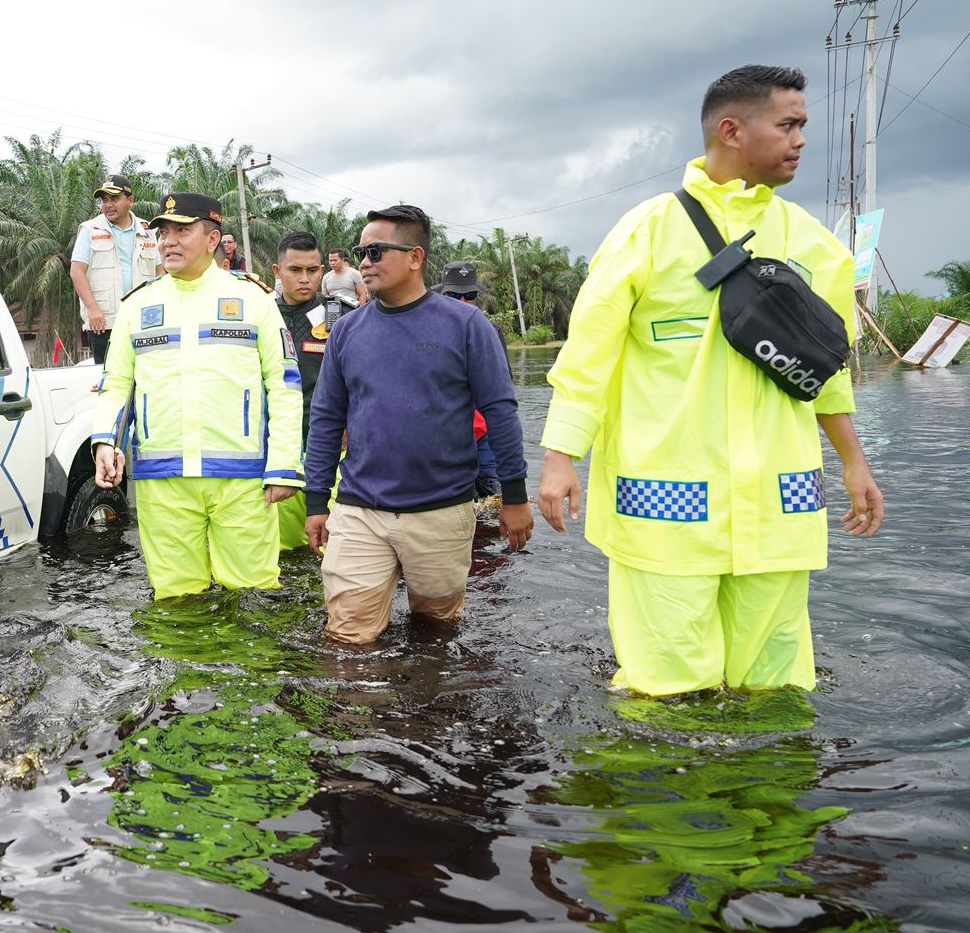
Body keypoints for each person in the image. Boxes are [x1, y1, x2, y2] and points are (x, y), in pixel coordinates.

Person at [537, 64, 885, 697]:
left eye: (803, 125)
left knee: (777, 681)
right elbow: (589, 355)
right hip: (666, 500)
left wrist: (854, 464)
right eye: (788, 124)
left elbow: (825, 374)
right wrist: (560, 458)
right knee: (666, 684)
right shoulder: (647, 230)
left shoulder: (814, 245)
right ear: (732, 129)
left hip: (779, 500)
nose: (801, 139)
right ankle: (665, 794)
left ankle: (775, 793)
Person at [304, 205, 533, 643]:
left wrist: (516, 497)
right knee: (349, 634)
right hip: (359, 508)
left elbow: (501, 412)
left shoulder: (466, 325)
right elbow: (327, 419)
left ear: (415, 256)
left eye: (375, 251)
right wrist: (318, 501)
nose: (364, 262)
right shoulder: (348, 332)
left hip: (441, 509)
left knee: (436, 626)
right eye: (361, 251)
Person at [92, 192, 303, 597]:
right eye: (163, 231)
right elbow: (116, 384)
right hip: (162, 478)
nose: (168, 240)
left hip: (242, 479)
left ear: (212, 239)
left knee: (253, 594)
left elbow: (284, 385)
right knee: (175, 598)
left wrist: (283, 466)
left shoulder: (252, 299)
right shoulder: (138, 306)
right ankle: (186, 663)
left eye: (182, 230)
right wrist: (104, 441)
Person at [272, 230, 358, 550]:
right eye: (295, 270)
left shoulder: (342, 316)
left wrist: (351, 420)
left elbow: (362, 376)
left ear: (323, 270)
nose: (305, 279)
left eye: (313, 270)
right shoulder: (260, 315)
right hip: (278, 446)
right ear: (278, 272)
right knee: (281, 547)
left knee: (333, 542)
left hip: (331, 445)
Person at [70, 174, 160, 363]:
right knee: (109, 376)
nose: (108, 205)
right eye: (104, 200)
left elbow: (160, 272)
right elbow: (76, 271)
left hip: (145, 320)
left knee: (147, 373)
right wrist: (93, 310)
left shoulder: (148, 231)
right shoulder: (90, 229)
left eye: (114, 199)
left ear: (130, 201)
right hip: (104, 322)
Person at [439, 260, 509, 500]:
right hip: (445, 436)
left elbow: (503, 391)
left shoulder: (491, 331)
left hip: (483, 433)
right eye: (454, 295)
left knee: (494, 499)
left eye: (469, 295)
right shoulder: (427, 332)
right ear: (443, 294)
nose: (463, 302)